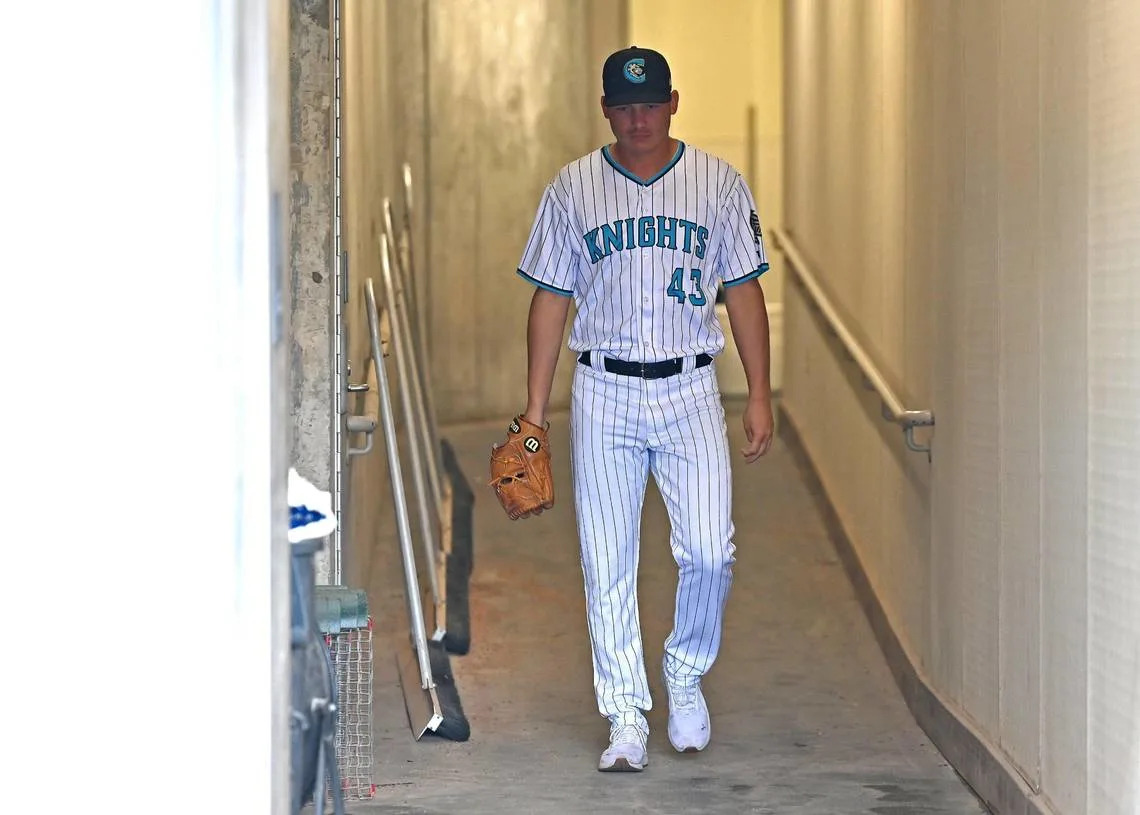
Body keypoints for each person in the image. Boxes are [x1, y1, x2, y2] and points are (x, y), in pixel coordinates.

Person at [512, 45, 774, 772]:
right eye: (624, 107)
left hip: (691, 386)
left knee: (708, 549)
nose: (638, 119)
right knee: (608, 560)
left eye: (650, 105)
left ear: (673, 103)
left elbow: (745, 288)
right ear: (605, 110)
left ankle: (685, 671)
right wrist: (535, 413)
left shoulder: (718, 185)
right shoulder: (572, 190)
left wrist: (757, 391)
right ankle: (625, 712)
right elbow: (551, 297)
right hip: (603, 388)